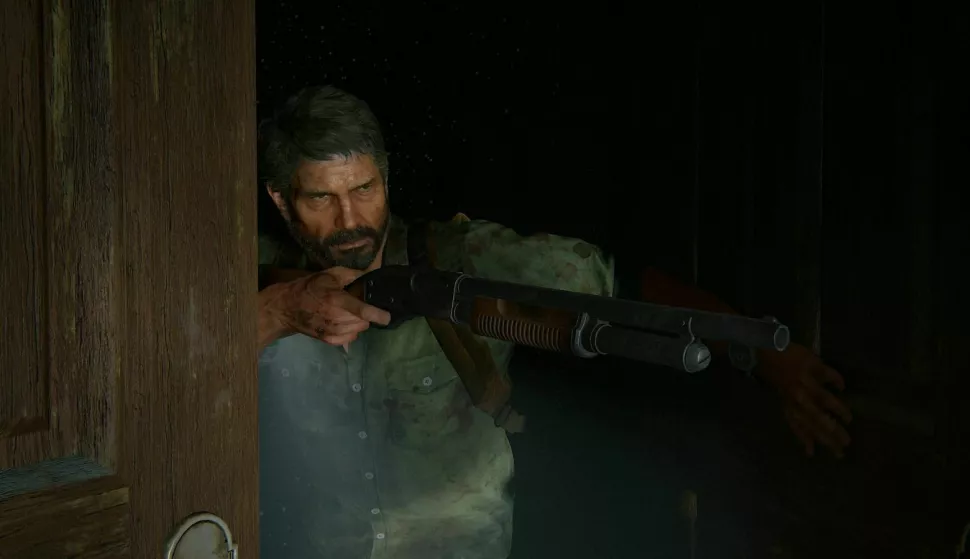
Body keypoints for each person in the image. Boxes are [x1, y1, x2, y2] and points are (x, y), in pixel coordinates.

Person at [256, 85, 853, 559]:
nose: (351, 218)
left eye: (365, 189)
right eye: (320, 199)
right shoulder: (247, 277)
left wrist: (769, 355)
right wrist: (280, 310)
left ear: (387, 179)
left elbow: (620, 289)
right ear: (281, 200)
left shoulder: (459, 257)